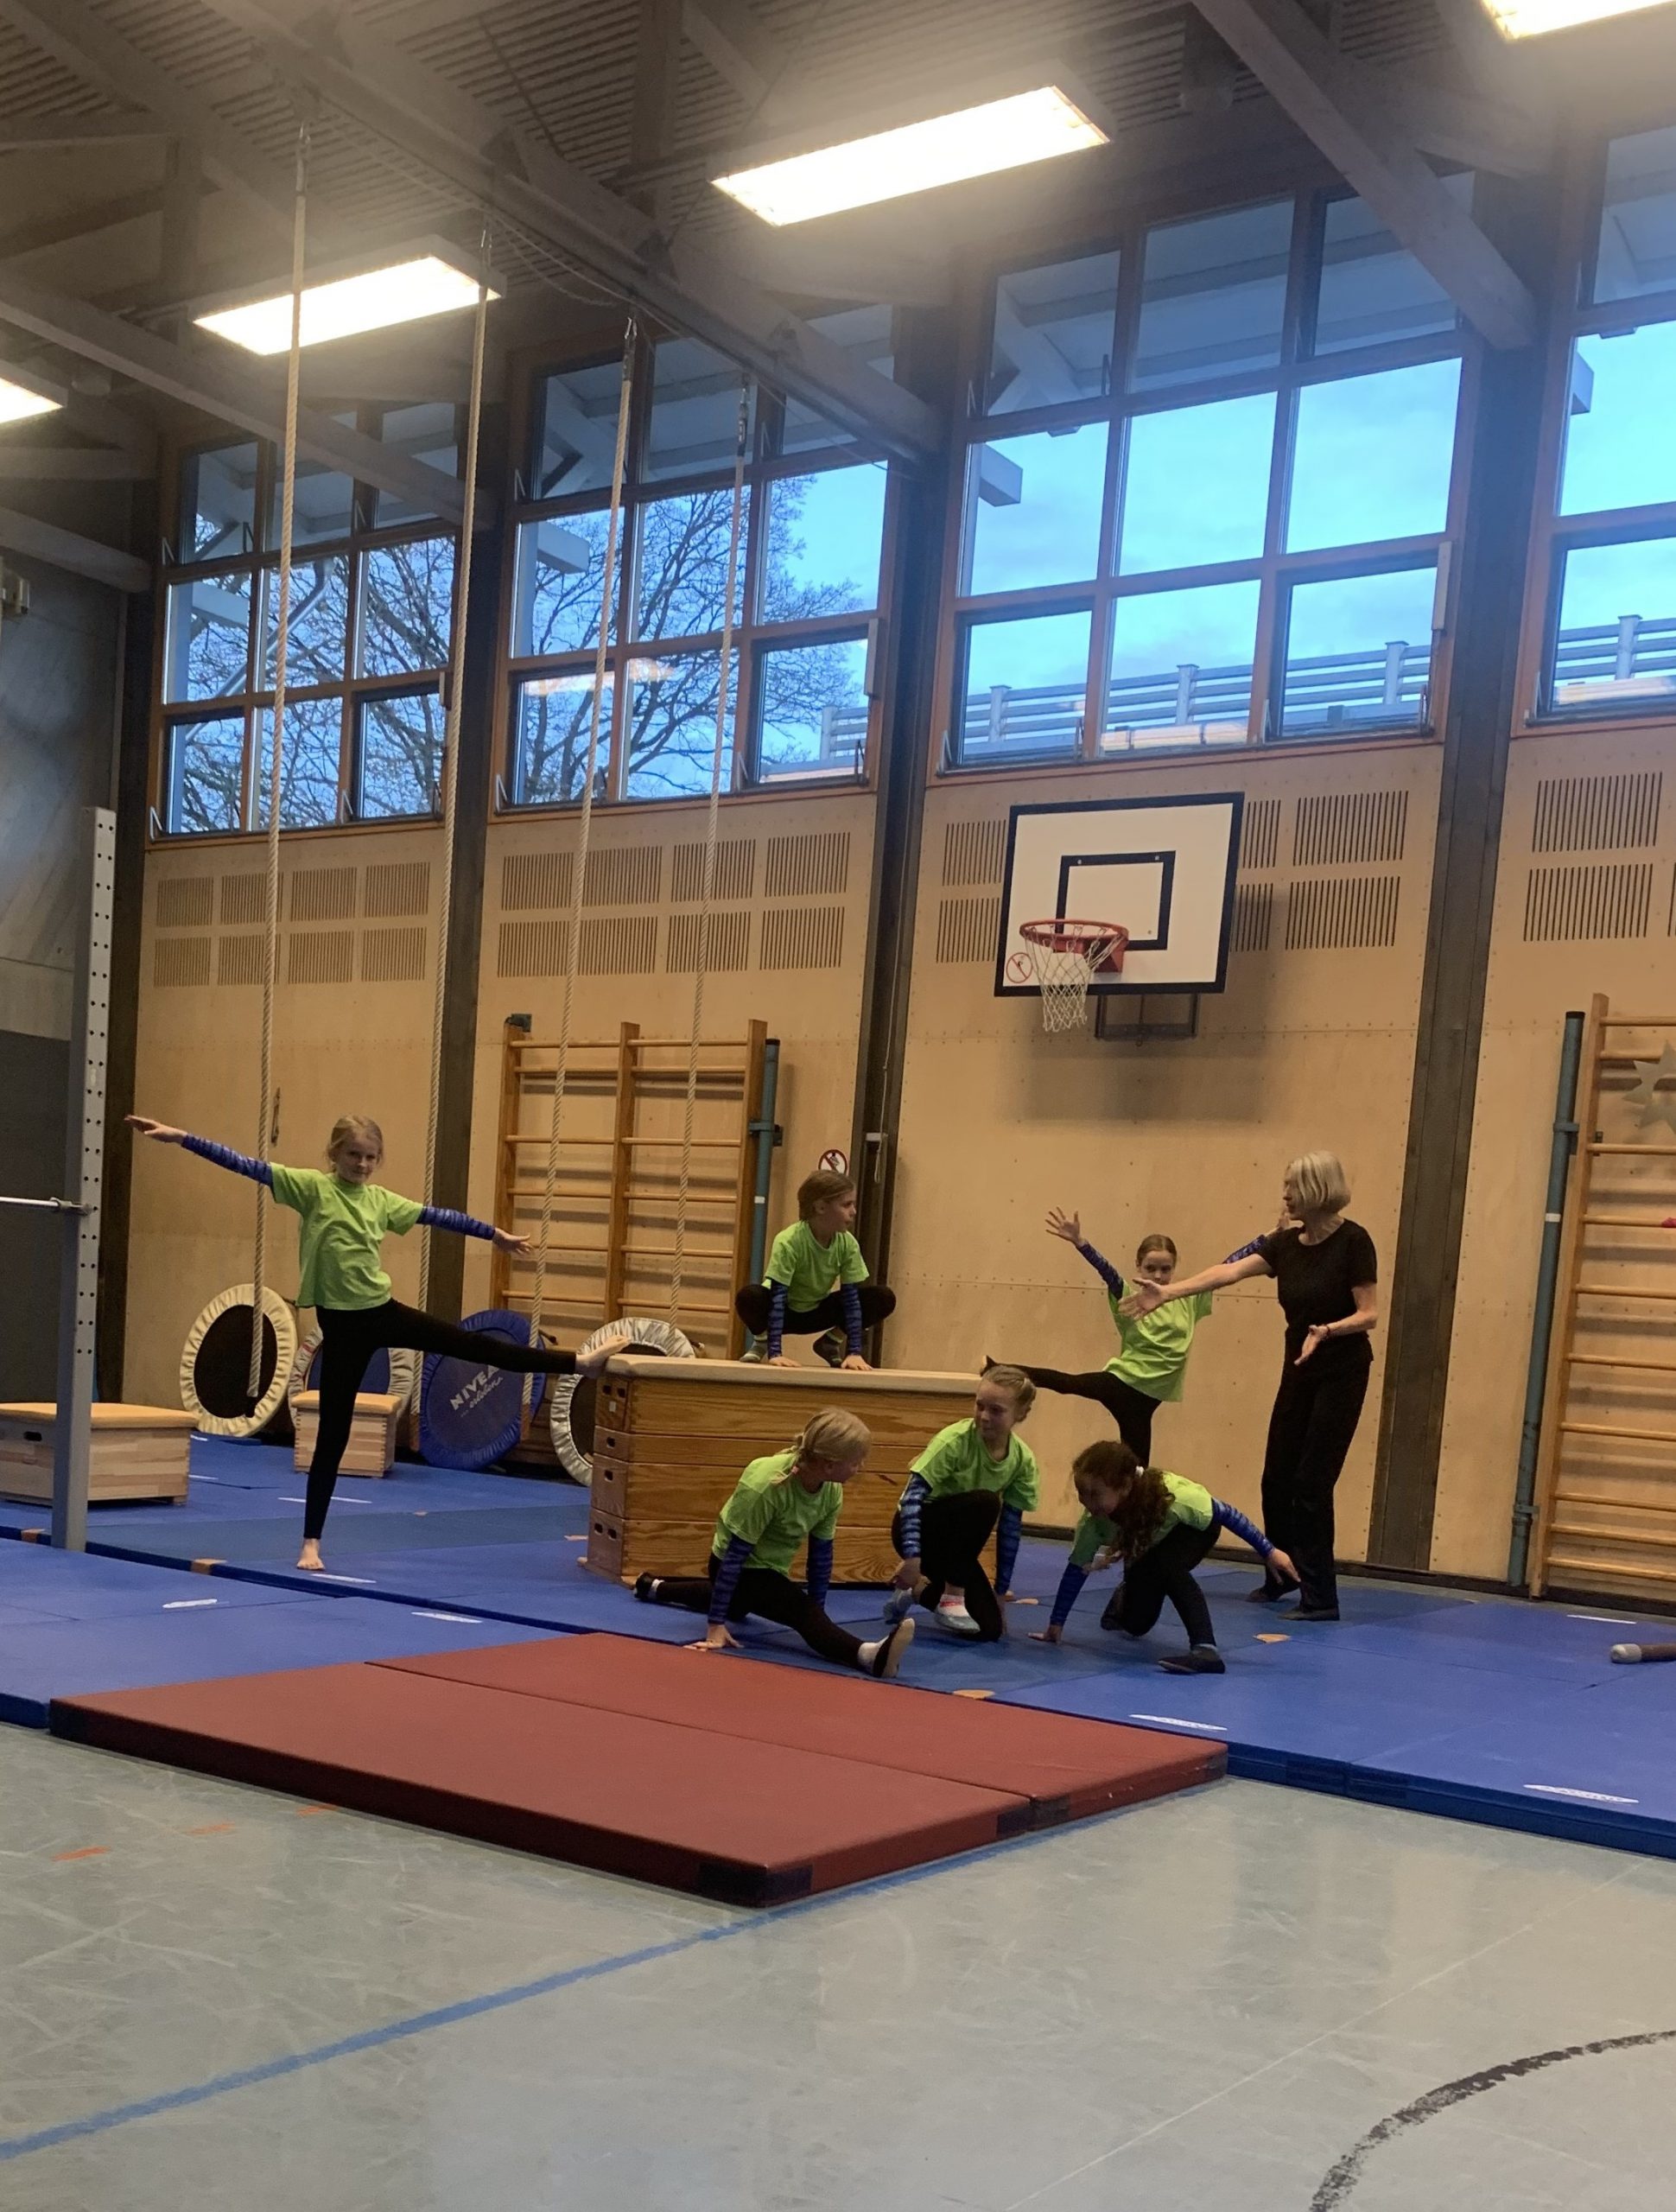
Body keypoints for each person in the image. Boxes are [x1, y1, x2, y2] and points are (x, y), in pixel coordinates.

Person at [128, 1112, 628, 1572]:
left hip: (383, 1314)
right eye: (354, 1155)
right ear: (334, 1154)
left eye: (370, 1157)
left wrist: (492, 1234)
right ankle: (311, 1542)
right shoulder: (310, 1188)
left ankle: (579, 1363)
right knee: (332, 1436)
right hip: (341, 1331)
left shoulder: (381, 1201)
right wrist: (182, 1138)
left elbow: (438, 1216)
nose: (362, 1165)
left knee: (474, 1346)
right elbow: (246, 1166)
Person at [1121, 1151, 1377, 1621]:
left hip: (1342, 1371)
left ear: (1317, 1189)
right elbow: (1228, 1271)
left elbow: (1369, 1314)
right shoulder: (1284, 1243)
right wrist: (1170, 1291)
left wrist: (1328, 1330)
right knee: (1276, 1477)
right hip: (1298, 1367)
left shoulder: (1354, 1242)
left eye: (1292, 1186)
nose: (1285, 1195)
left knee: (1312, 1484)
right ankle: (1283, 1574)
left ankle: (1321, 1596)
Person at [633, 1408, 915, 1679]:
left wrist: (819, 1615)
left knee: (739, 1606)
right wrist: (715, 1625)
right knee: (793, 1609)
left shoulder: (830, 1491)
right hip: (737, 1564)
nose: (860, 1468)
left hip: (768, 1567)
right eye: (855, 1462)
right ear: (829, 1464)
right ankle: (867, 1656)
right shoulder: (766, 1485)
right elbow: (734, 1556)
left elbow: (820, 1557)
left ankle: (653, 1587)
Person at [1030, 1439, 1295, 1674]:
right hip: (1149, 1543)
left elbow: (1226, 1513)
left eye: (1095, 1494)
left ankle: (1205, 1649)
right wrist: (1056, 1624)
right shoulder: (1094, 1522)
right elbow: (1077, 1569)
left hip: (1193, 1532)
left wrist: (1268, 1550)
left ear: (1124, 1486)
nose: (1087, 1502)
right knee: (1137, 1624)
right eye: (1081, 1493)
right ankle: (1123, 1601)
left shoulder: (1174, 1497)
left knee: (1168, 1567)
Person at [1002, 1211, 1214, 1463]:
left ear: (1174, 1268)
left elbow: (1229, 1267)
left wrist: (1259, 1246)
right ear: (1138, 1266)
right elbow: (1107, 1272)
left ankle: (1125, 1491)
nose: (1157, 1276)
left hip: (1149, 1399)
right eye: (1150, 1268)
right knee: (1068, 1383)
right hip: (1124, 1383)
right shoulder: (1130, 1299)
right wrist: (1081, 1243)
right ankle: (999, 1369)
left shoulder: (1188, 1299)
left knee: (1138, 1469)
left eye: (1165, 1269)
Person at [887, 1366, 1038, 1642]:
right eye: (980, 1406)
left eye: (996, 1410)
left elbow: (1010, 1529)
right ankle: (952, 1596)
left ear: (1021, 1413)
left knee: (989, 1628)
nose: (984, 1416)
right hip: (922, 1531)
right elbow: (911, 1497)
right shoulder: (954, 1441)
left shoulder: (1022, 1460)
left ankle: (916, 1592)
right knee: (986, 1503)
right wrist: (912, 1556)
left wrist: (1000, 1592)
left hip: (956, 1549)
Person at [734, 1168, 896, 1370]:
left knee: (882, 1297)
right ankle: (763, 1341)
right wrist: (776, 1353)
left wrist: (854, 1352)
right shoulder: (789, 1240)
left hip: (817, 1311)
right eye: (846, 1205)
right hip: (784, 1312)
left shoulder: (847, 1244)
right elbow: (778, 1297)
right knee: (749, 1296)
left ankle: (830, 1342)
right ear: (820, 1207)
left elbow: (851, 1299)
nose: (853, 1211)